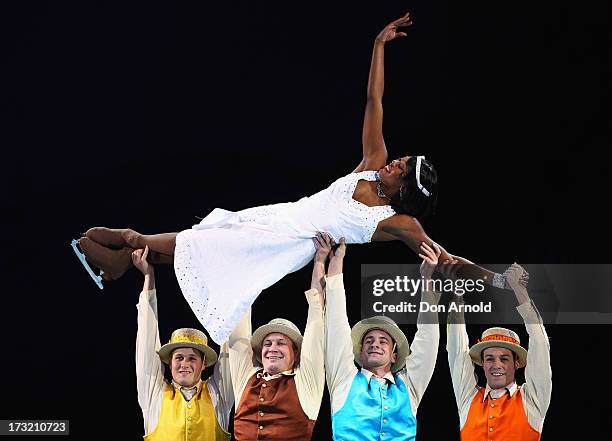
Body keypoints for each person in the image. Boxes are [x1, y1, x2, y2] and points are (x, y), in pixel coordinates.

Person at [74, 11, 518, 344]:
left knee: (203, 247)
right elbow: (374, 99)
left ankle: (131, 241)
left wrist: (497, 280)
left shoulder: (398, 223)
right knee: (204, 243)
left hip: (290, 244)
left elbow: (447, 259)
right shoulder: (370, 161)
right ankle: (120, 262)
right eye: (398, 159)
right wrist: (378, 46)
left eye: (400, 168)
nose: (393, 162)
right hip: (282, 213)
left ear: (407, 191)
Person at [325, 239, 441, 440]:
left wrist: (427, 279)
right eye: (368, 340)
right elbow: (335, 324)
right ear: (360, 352)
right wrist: (337, 262)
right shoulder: (344, 378)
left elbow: (428, 338)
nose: (375, 344)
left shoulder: (409, 385)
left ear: (395, 355)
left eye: (383, 341)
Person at [226, 232, 329, 441]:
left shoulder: (306, 382)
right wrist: (242, 262)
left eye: (281, 343)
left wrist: (319, 261)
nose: (272, 348)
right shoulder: (246, 377)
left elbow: (317, 318)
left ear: (296, 353)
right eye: (267, 343)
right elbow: (237, 319)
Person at [134, 246, 233, 440]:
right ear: (170, 363)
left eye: (192, 358)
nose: (185, 364)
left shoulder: (217, 394)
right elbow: (146, 338)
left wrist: (230, 279)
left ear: (204, 364)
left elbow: (233, 341)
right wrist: (148, 276)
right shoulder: (154, 395)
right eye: (179, 357)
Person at [446, 263, 552, 440]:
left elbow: (540, 343)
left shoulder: (532, 400)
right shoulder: (468, 398)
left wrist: (519, 291)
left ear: (516, 363)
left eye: (504, 358)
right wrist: (456, 292)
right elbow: (456, 350)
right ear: (482, 363)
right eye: (489, 358)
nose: (496, 365)